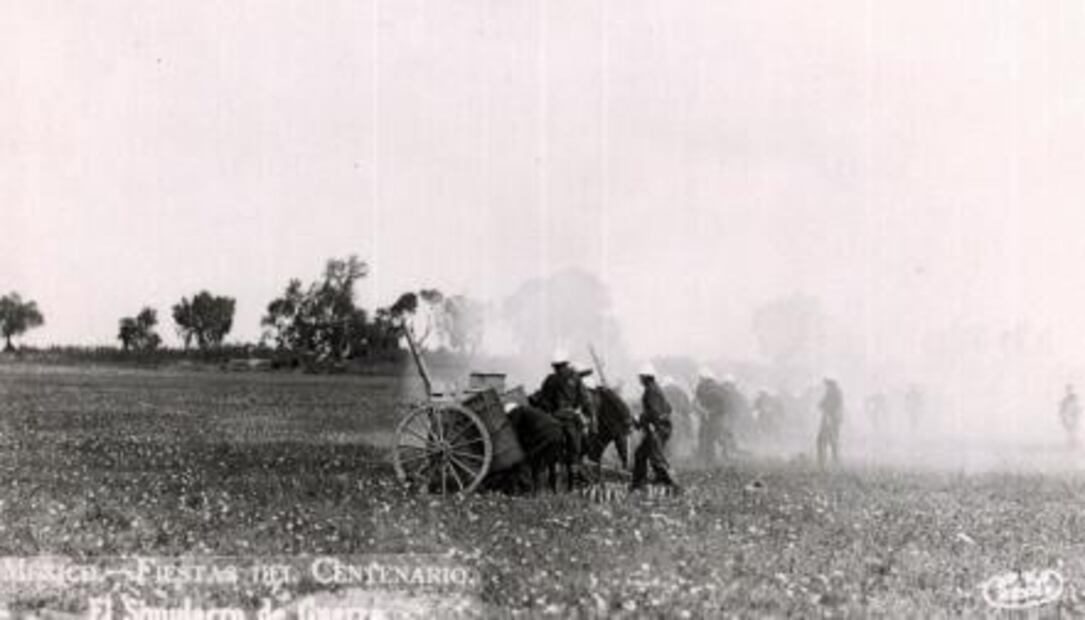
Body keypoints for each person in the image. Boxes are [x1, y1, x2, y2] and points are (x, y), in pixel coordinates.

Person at [631, 364, 679, 492]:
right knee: (641, 454)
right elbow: (668, 408)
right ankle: (639, 483)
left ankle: (673, 484)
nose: (639, 379)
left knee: (656, 458)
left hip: (656, 429)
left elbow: (654, 412)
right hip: (659, 428)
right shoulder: (655, 389)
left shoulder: (651, 391)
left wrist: (639, 419)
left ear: (646, 377)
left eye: (640, 377)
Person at [694, 366, 729, 467]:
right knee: (710, 439)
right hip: (712, 418)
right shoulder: (715, 388)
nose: (700, 381)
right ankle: (709, 460)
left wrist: (709, 412)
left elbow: (721, 406)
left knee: (711, 439)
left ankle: (712, 461)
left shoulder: (713, 390)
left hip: (715, 419)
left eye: (701, 379)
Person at [816, 377, 844, 468]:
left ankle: (825, 461)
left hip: (831, 420)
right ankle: (830, 460)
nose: (826, 386)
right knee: (830, 441)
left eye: (828, 384)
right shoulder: (832, 393)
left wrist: (826, 409)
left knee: (828, 440)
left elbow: (832, 406)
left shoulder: (834, 393)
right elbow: (822, 404)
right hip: (830, 419)